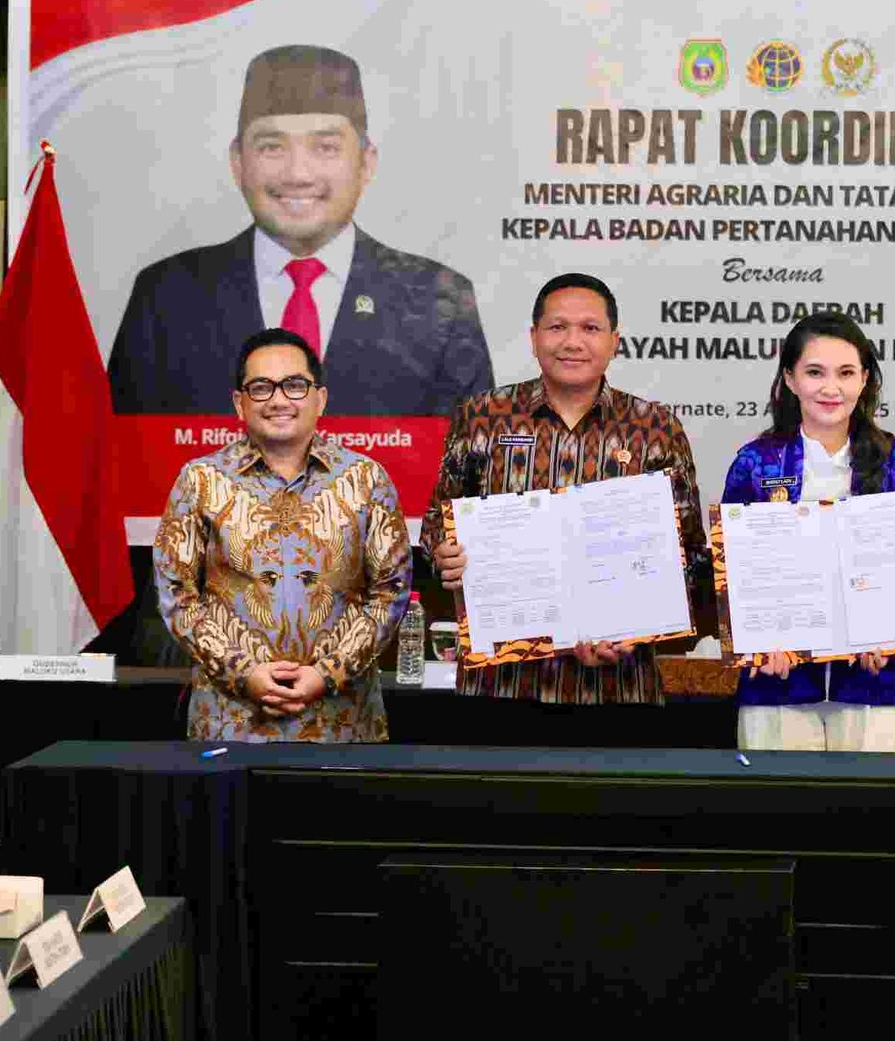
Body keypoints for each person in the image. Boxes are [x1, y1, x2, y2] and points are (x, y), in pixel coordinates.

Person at [109, 44, 492, 416]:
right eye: (272, 147)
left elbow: (476, 452)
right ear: (238, 162)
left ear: (366, 163)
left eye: (325, 147)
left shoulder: (438, 299)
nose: (298, 174)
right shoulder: (166, 297)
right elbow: (121, 450)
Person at [420, 273, 707, 704]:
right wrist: (445, 554)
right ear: (534, 338)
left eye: (590, 328)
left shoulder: (655, 428)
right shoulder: (483, 417)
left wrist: (636, 628)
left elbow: (690, 556)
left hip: (619, 689)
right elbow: (435, 530)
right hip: (502, 686)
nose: (573, 342)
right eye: (557, 327)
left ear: (614, 340)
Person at [154, 328, 411, 741]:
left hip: (343, 724)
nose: (278, 400)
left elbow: (390, 592)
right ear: (239, 403)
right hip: (231, 723)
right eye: (261, 387)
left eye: (294, 385)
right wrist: (245, 674)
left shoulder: (366, 480)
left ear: (320, 398)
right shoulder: (200, 481)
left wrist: (326, 674)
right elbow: (177, 596)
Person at [720, 312, 895, 752]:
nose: (831, 388)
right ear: (790, 379)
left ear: (865, 380)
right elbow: (731, 570)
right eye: (815, 372)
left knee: (876, 796)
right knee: (779, 795)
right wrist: (758, 641)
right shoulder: (755, 462)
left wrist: (894, 632)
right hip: (777, 681)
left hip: (873, 681)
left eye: (846, 373)